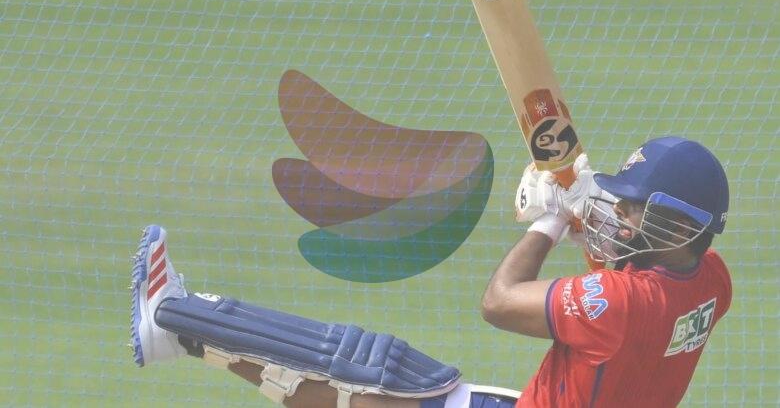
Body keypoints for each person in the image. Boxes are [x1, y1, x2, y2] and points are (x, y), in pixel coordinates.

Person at [130, 136, 731, 407]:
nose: (618, 214)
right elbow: (624, 290)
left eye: (633, 208)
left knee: (363, 369)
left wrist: (549, 222)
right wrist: (587, 228)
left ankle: (177, 321)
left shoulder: (625, 304)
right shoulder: (712, 282)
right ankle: (182, 335)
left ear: (677, 225)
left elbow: (499, 302)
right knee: (376, 389)